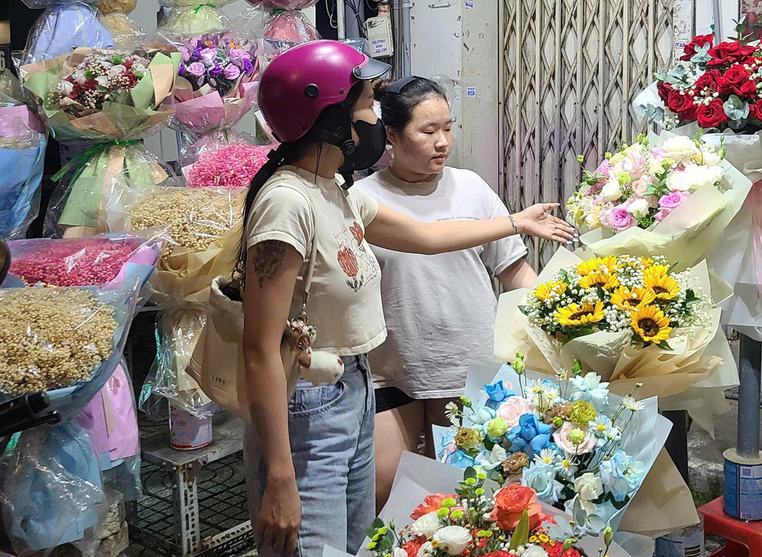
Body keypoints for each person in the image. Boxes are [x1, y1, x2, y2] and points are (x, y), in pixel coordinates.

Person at [239, 41, 574, 557]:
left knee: (354, 544)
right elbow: (260, 348)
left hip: (350, 387)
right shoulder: (287, 203)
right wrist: (279, 478)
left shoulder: (337, 191)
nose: (373, 117)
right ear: (327, 118)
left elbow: (426, 236)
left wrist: (516, 223)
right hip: (311, 397)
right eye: (366, 106)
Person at [354, 77, 537, 509]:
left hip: (465, 365)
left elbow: (514, 271)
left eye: (448, 128)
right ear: (392, 136)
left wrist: (563, 312)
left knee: (466, 493)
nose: (443, 142)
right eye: (428, 131)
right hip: (390, 367)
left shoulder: (471, 186)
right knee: (388, 494)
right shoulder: (362, 199)